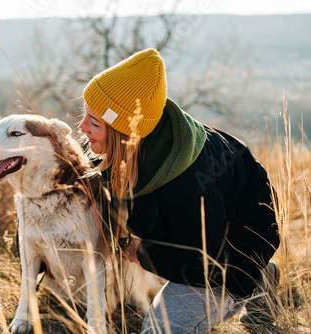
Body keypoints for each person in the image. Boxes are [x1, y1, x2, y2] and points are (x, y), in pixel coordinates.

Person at [78, 48, 280, 333]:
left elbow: (203, 264)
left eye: (94, 122)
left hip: (229, 255)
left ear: (125, 135)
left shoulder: (190, 187)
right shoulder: (133, 144)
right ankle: (263, 277)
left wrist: (144, 253)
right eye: (84, 115)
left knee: (160, 329)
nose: (81, 127)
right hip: (201, 236)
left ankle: (250, 278)